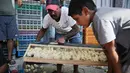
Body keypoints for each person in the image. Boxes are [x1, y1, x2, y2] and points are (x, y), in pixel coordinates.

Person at [68, 0, 130, 73]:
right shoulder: (97, 18)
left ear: (85, 11)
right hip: (125, 36)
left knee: (125, 68)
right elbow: (108, 51)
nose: (77, 23)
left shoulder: (100, 19)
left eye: (77, 19)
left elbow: (112, 50)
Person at [36, 0, 82, 73]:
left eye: (55, 10)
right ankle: (59, 71)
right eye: (50, 10)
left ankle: (75, 70)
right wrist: (36, 42)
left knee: (75, 51)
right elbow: (43, 30)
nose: (52, 13)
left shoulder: (67, 13)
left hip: (72, 32)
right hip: (59, 32)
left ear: (60, 7)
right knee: (59, 52)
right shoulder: (47, 18)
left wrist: (64, 38)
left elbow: (76, 29)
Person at [0, 0, 22, 72]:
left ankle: (9, 59)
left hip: (11, 14)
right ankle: (1, 61)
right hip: (0, 15)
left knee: (11, 38)